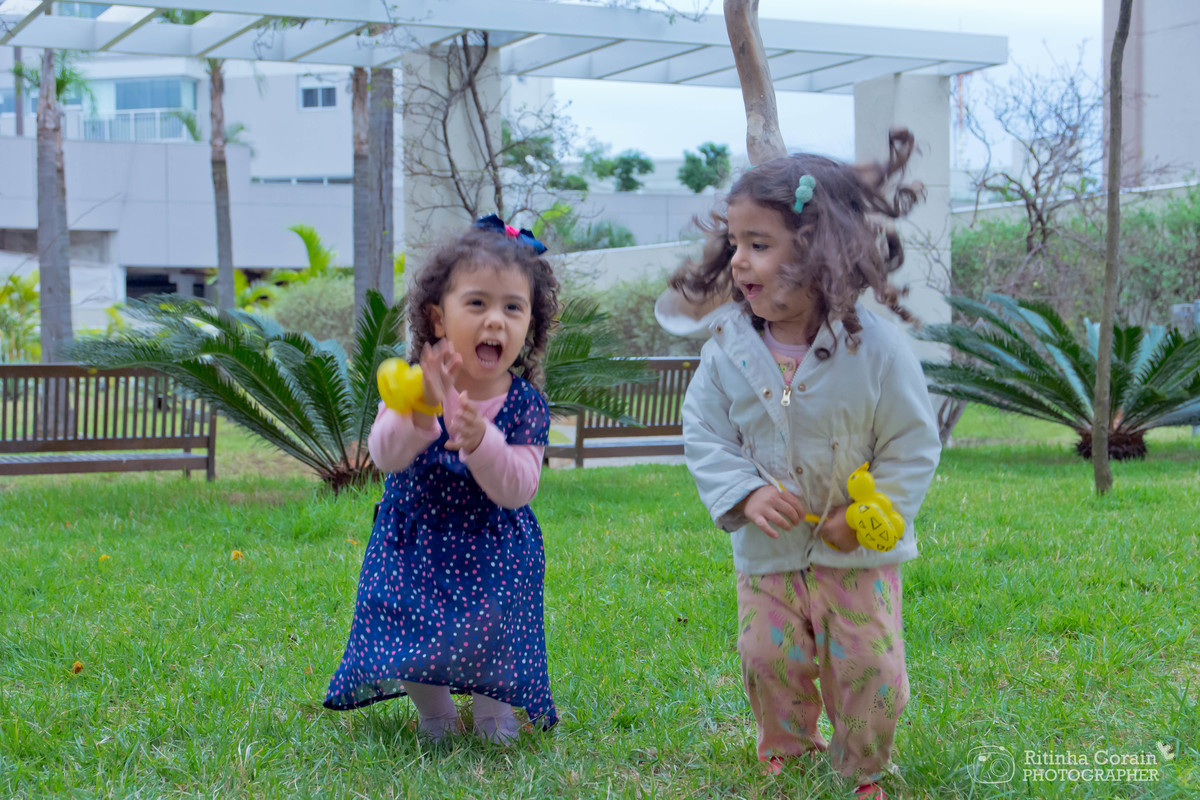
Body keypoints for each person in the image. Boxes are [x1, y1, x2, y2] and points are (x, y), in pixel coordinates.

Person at [656, 130, 941, 800]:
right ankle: (787, 754)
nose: (739, 262)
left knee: (870, 665)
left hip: (857, 555)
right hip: (770, 548)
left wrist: (878, 514)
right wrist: (746, 493)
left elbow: (912, 442)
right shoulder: (727, 347)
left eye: (759, 244)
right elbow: (704, 432)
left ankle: (863, 766)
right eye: (734, 244)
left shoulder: (875, 349)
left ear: (817, 249)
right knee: (768, 656)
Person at [324, 217, 560, 744]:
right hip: (415, 542)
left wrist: (482, 442)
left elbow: (519, 488)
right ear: (436, 317)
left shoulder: (524, 406)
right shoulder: (409, 386)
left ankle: (493, 712)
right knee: (408, 625)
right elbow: (384, 456)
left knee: (494, 630)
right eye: (476, 304)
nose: (494, 320)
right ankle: (434, 712)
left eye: (512, 307)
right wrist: (422, 414)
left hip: (492, 547)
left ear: (532, 328)